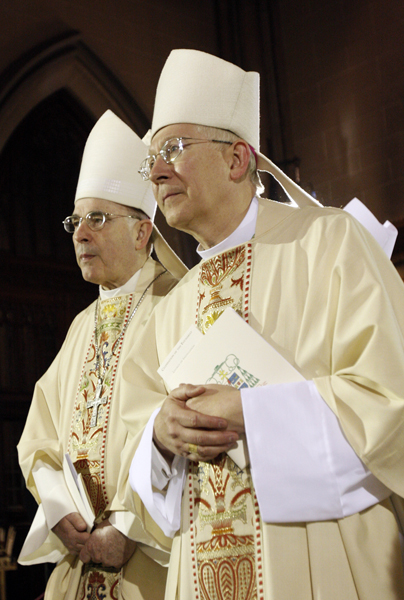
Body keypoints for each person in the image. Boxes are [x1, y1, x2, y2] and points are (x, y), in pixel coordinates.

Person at [118, 50, 404, 600]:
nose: (155, 172)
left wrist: (252, 412)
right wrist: (159, 435)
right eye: (151, 157)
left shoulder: (330, 242)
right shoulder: (173, 307)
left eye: (173, 149)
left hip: (321, 562)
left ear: (237, 158)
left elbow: (389, 402)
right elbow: (137, 458)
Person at [17, 110, 187, 600]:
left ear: (142, 232)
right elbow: (38, 440)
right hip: (81, 560)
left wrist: (130, 529)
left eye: (97, 219)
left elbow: (190, 432)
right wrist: (58, 511)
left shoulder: (179, 305)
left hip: (154, 562)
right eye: (76, 220)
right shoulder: (79, 327)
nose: (80, 234)